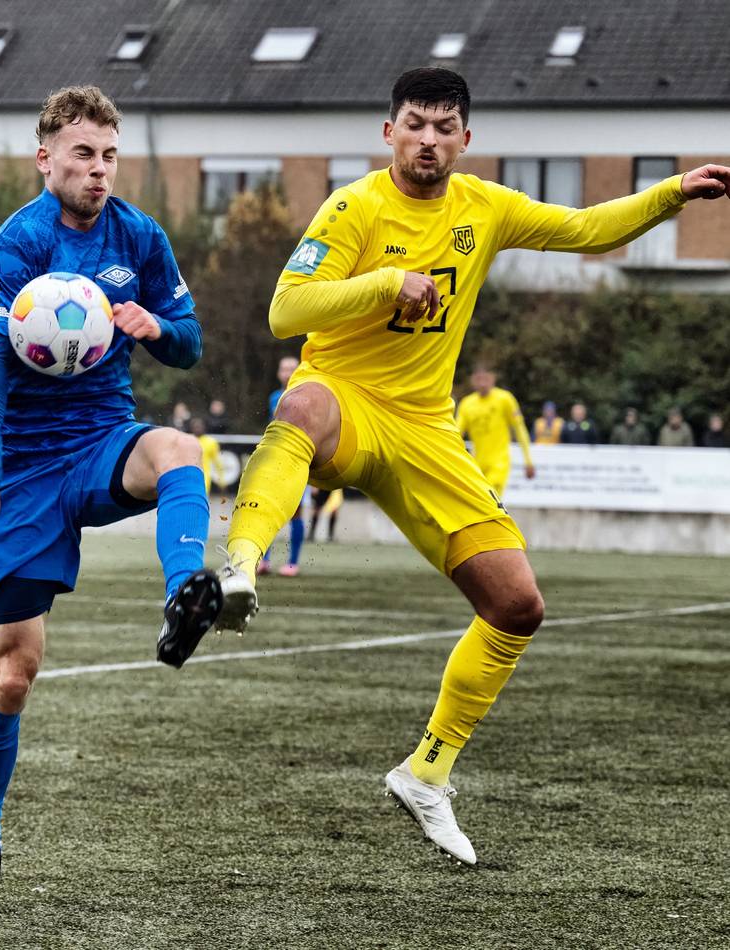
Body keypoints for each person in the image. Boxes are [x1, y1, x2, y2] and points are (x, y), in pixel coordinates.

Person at [216, 65, 730, 865]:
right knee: (302, 405)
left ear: (464, 139)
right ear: (389, 133)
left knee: (517, 605)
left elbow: (588, 229)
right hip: (346, 399)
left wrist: (671, 193)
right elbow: (287, 309)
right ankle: (239, 566)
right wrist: (385, 282)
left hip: (425, 431)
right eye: (414, 124)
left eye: (443, 127)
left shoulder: (483, 206)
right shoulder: (353, 206)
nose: (427, 139)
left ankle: (427, 771)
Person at [0, 85, 224, 913]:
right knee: (14, 672)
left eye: (108, 156)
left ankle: (185, 594)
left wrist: (153, 328)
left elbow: (190, 343)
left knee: (178, 448)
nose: (99, 171)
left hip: (103, 443)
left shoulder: (140, 236)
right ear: (46, 158)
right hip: (25, 475)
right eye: (82, 156)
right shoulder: (14, 245)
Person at [260, 355, 308, 577]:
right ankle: (264, 561)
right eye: (283, 368)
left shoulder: (308, 396)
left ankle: (293, 562)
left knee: (296, 513)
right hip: (275, 460)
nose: (287, 372)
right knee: (266, 510)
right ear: (278, 373)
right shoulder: (273, 398)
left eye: (292, 368)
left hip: (297, 460)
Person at [455, 365, 534, 496]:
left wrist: (528, 460)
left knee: (490, 500)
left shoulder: (504, 399)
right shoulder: (467, 404)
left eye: (486, 377)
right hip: (477, 466)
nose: (482, 382)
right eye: (478, 378)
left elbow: (519, 428)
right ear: (472, 380)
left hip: (499, 464)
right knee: (479, 504)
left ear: (493, 378)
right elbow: (456, 434)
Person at [188, 416, 225, 493]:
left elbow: (217, 462)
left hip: (204, 477)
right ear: (192, 428)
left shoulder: (211, 442)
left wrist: (222, 480)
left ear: (204, 428)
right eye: (195, 427)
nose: (197, 429)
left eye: (199, 427)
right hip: (189, 477)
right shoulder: (187, 441)